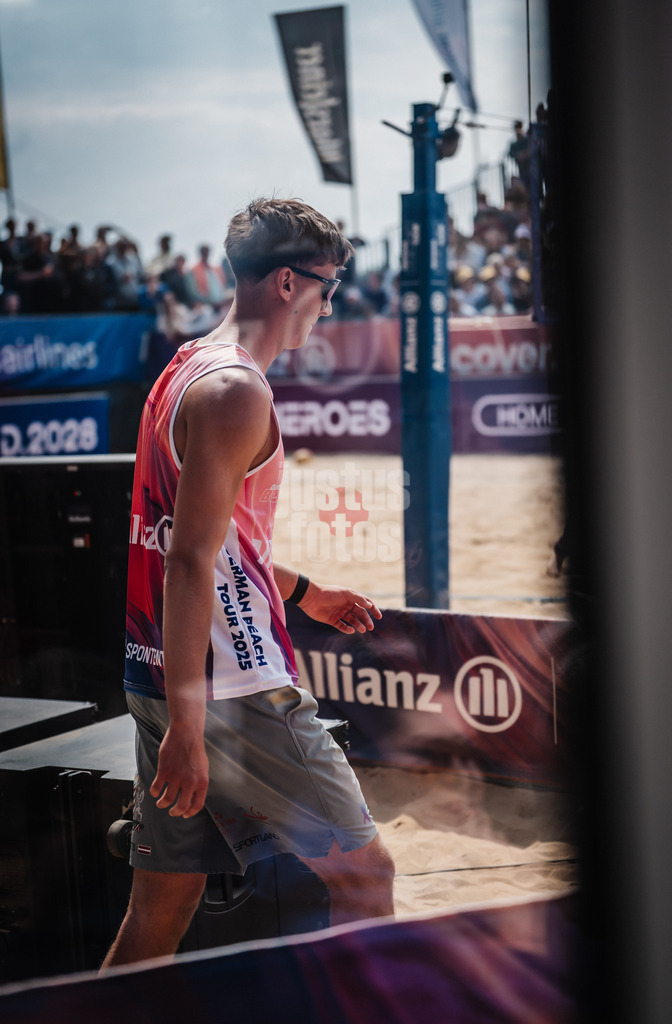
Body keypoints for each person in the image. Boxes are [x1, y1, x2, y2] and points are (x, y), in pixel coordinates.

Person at [101, 198, 395, 969]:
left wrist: (303, 594)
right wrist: (193, 732)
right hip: (230, 691)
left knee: (159, 909)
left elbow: (210, 542)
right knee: (368, 879)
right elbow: (190, 560)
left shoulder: (183, 367)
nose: (331, 306)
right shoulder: (237, 392)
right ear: (289, 283)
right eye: (329, 286)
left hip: (160, 676)